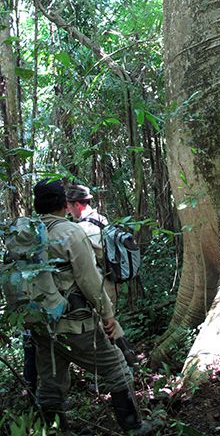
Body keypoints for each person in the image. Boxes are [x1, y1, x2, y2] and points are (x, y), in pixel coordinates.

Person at [31, 178, 154, 435]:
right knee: (116, 366)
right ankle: (134, 427)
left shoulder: (28, 235)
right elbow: (90, 281)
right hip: (75, 326)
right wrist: (107, 314)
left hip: (41, 325)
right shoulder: (70, 232)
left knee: (51, 382)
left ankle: (54, 430)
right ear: (64, 204)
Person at [65, 184, 135, 366]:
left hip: (101, 284)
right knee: (110, 323)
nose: (68, 210)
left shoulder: (82, 229)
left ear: (77, 205)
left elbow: (86, 264)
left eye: (70, 206)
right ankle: (129, 361)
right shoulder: (100, 219)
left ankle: (123, 366)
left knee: (105, 327)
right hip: (113, 281)